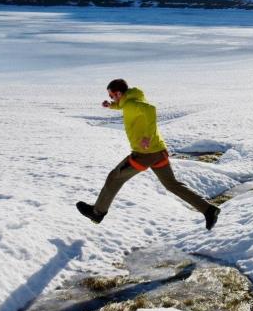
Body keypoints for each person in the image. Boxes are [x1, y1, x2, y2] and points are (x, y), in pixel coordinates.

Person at [76, 79, 220, 230]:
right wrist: (111, 105)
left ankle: (97, 213)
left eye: (112, 96)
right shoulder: (132, 100)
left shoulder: (131, 104)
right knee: (171, 184)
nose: (112, 98)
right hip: (158, 151)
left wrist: (147, 136)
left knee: (115, 177)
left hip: (145, 153)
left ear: (118, 93)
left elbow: (151, 110)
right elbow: (124, 105)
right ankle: (209, 210)